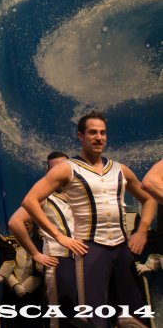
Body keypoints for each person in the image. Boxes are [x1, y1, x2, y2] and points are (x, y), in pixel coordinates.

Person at [21, 111, 156, 327]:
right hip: (91, 249)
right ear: (80, 136)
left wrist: (142, 230)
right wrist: (59, 236)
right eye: (93, 132)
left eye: (103, 133)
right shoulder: (67, 168)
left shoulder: (120, 169)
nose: (99, 137)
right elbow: (30, 201)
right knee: (94, 317)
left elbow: (148, 199)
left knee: (136, 314)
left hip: (123, 248)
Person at [7, 151, 75, 328]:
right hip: (59, 260)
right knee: (61, 316)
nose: (60, 172)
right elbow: (15, 222)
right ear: (48, 172)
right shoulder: (45, 197)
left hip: (82, 259)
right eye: (55, 169)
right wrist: (36, 254)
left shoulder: (77, 195)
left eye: (64, 167)